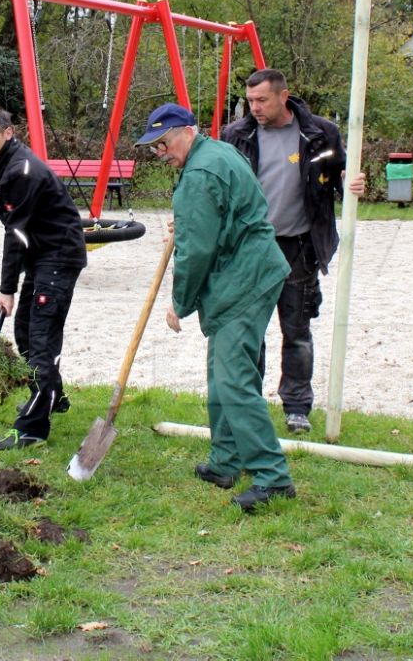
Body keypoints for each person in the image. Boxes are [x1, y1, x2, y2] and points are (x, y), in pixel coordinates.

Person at [140, 103, 295, 511]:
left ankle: (273, 478)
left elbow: (196, 251)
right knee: (223, 370)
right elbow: (217, 217)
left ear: (187, 131)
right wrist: (192, 220)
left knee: (232, 379)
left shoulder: (199, 174)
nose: (161, 153)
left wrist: (180, 303)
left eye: (164, 143)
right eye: (154, 148)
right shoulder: (218, 152)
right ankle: (225, 461)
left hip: (243, 279)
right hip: (257, 270)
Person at [222, 69, 366, 434]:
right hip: (250, 247)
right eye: (250, 101)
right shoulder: (236, 136)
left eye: (262, 100)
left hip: (299, 247)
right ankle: (249, 403)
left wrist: (354, 183)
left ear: (284, 96)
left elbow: (341, 177)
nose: (254, 107)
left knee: (296, 330)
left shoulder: (320, 134)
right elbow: (219, 186)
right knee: (249, 331)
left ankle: (297, 406)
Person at [0, 104, 88, 451]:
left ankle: (32, 428)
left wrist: (7, 289)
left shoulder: (20, 171)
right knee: (25, 332)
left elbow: (14, 235)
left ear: (8, 132)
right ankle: (53, 397)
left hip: (58, 257)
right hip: (43, 255)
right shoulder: (7, 165)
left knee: (40, 340)